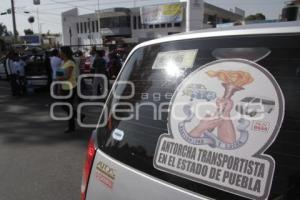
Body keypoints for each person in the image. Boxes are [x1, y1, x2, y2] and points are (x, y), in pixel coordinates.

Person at [57, 46, 79, 133]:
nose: (59, 53)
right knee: (65, 106)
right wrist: (59, 86)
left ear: (64, 53)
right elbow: (59, 74)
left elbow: (67, 76)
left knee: (67, 107)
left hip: (71, 87)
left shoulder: (70, 63)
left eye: (60, 51)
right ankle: (79, 116)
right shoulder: (63, 62)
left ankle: (71, 127)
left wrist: (58, 79)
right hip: (64, 87)